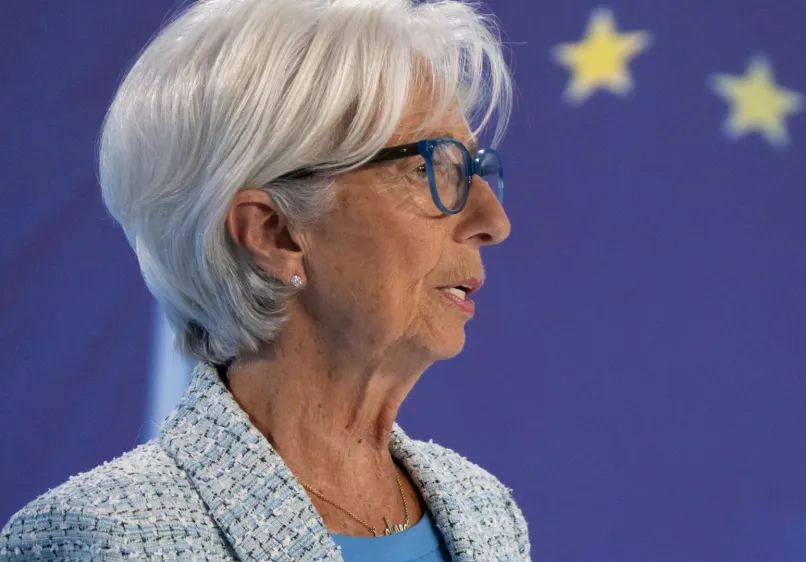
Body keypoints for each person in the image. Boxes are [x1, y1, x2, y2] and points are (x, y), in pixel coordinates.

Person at [0, 0, 530, 560]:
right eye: (428, 169)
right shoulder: (104, 538)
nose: (494, 222)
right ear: (273, 233)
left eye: (472, 171)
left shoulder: (485, 513)